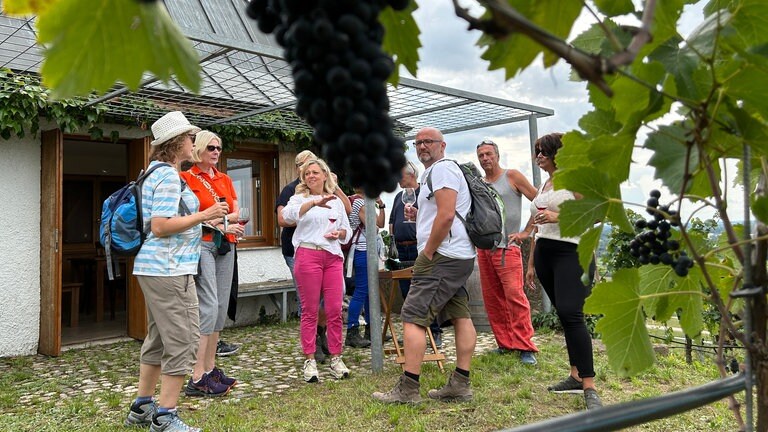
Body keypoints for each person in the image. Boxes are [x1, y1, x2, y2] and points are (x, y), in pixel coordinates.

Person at [124, 111, 228, 432]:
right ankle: (165, 417)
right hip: (169, 269)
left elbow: (168, 220)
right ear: (176, 143)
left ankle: (142, 407)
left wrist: (204, 220)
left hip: (154, 268)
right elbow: (160, 226)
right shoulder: (169, 176)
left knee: (158, 338)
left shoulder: (152, 172)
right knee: (183, 339)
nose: (192, 142)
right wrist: (206, 213)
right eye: (188, 138)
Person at [373, 127, 476, 403]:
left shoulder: (442, 170)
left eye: (428, 142)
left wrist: (428, 252)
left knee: (412, 316)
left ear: (443, 145)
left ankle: (408, 389)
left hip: (441, 256)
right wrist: (419, 214)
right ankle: (460, 384)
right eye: (418, 143)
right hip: (459, 255)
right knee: (461, 315)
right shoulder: (443, 172)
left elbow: (446, 215)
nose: (422, 147)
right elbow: (445, 213)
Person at [525, 133, 602, 410]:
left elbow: (597, 213)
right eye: (537, 151)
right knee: (566, 316)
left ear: (558, 153)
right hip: (545, 253)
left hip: (572, 252)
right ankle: (574, 376)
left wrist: (560, 216)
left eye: (544, 151)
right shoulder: (545, 183)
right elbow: (537, 226)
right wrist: (531, 264)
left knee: (572, 313)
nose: (539, 156)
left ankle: (590, 386)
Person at [180, 131, 245, 397]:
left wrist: (228, 223)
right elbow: (186, 215)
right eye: (211, 148)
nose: (216, 152)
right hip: (203, 243)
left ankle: (210, 368)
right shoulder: (186, 178)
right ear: (199, 150)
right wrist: (215, 221)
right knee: (207, 304)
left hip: (225, 243)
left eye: (219, 148)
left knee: (219, 305)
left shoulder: (225, 179)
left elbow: (237, 210)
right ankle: (197, 376)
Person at [276, 150, 351, 363]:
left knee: (334, 306)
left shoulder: (335, 199)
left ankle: (334, 351)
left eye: (314, 171)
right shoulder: (296, 195)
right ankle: (311, 352)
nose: (310, 175)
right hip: (305, 253)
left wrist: (340, 233)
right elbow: (285, 216)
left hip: (332, 255)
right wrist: (312, 204)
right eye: (306, 171)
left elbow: (346, 228)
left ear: (324, 174)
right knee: (309, 306)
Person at [475, 139, 539, 364]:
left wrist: (526, 232)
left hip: (508, 248)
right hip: (485, 250)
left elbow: (538, 202)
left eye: (488, 154)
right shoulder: (479, 183)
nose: (485, 158)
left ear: (497, 155)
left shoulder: (512, 176)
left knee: (515, 296)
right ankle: (505, 343)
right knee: (493, 299)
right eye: (481, 155)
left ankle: (525, 346)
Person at [388, 161, 443, 347]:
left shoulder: (425, 195)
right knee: (407, 294)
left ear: (411, 175)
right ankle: (414, 332)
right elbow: (392, 222)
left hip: (419, 248)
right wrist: (392, 242)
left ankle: (435, 332)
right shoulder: (398, 197)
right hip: (402, 250)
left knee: (427, 291)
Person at [345, 188, 385, 348]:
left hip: (366, 250)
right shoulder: (361, 203)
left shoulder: (363, 202)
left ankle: (371, 329)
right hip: (362, 250)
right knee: (362, 290)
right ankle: (352, 330)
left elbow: (380, 224)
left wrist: (381, 205)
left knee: (369, 292)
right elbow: (374, 228)